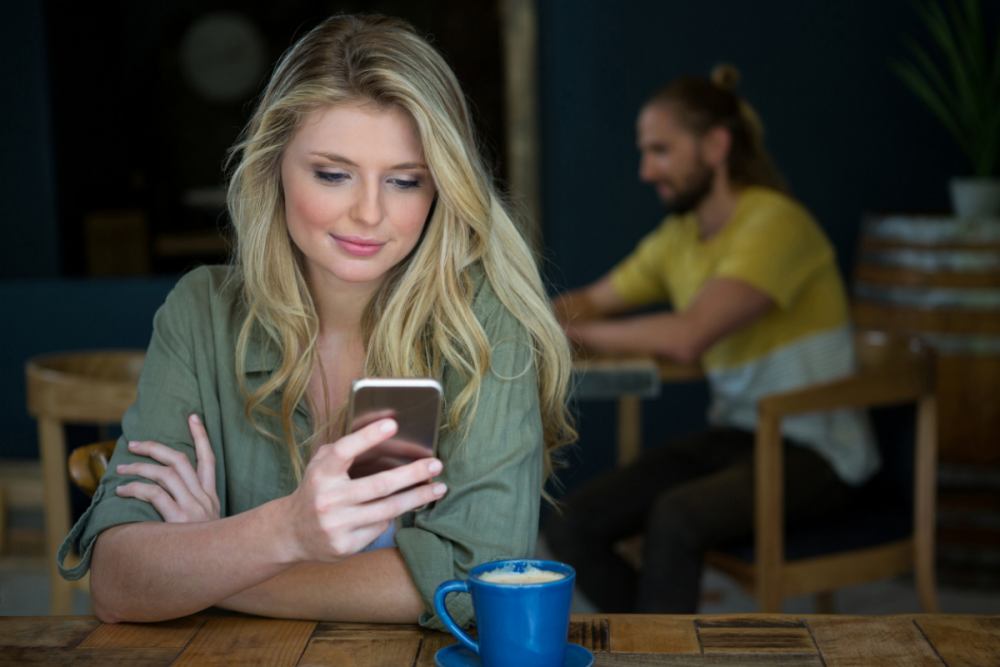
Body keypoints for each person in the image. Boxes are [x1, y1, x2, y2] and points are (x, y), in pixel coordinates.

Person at [58, 14, 575, 628]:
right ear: (274, 164)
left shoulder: (488, 325)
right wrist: (286, 531)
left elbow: (473, 587)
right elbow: (118, 583)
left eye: (405, 181)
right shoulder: (200, 312)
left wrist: (215, 558)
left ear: (442, 188)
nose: (369, 213)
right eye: (332, 174)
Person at [543, 65, 878, 614]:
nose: (646, 170)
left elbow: (688, 335)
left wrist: (573, 333)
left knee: (675, 519)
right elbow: (594, 299)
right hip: (741, 434)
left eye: (661, 150)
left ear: (716, 146)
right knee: (572, 524)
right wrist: (531, 320)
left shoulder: (776, 224)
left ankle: (660, 651)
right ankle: (658, 648)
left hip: (820, 451)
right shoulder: (679, 237)